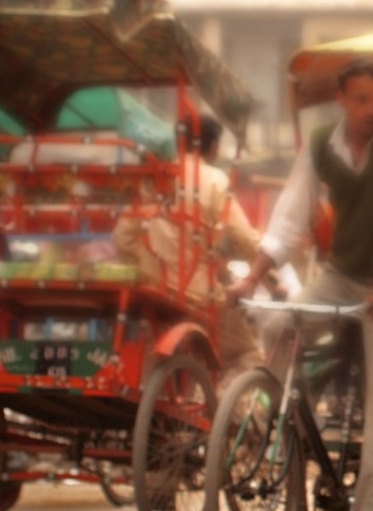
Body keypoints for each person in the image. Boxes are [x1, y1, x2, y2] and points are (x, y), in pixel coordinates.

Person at [229, 57, 373, 511]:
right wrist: (252, 276)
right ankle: (272, 425)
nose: (371, 109)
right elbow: (290, 217)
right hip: (339, 274)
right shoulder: (321, 143)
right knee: (277, 322)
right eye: (361, 99)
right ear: (343, 99)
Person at [112, 113, 263, 387]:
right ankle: (222, 420)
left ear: (178, 142)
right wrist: (264, 260)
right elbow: (244, 239)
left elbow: (122, 238)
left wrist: (149, 269)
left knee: (152, 350)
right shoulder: (215, 180)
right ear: (213, 146)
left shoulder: (152, 178)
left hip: (156, 294)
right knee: (248, 355)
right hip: (201, 297)